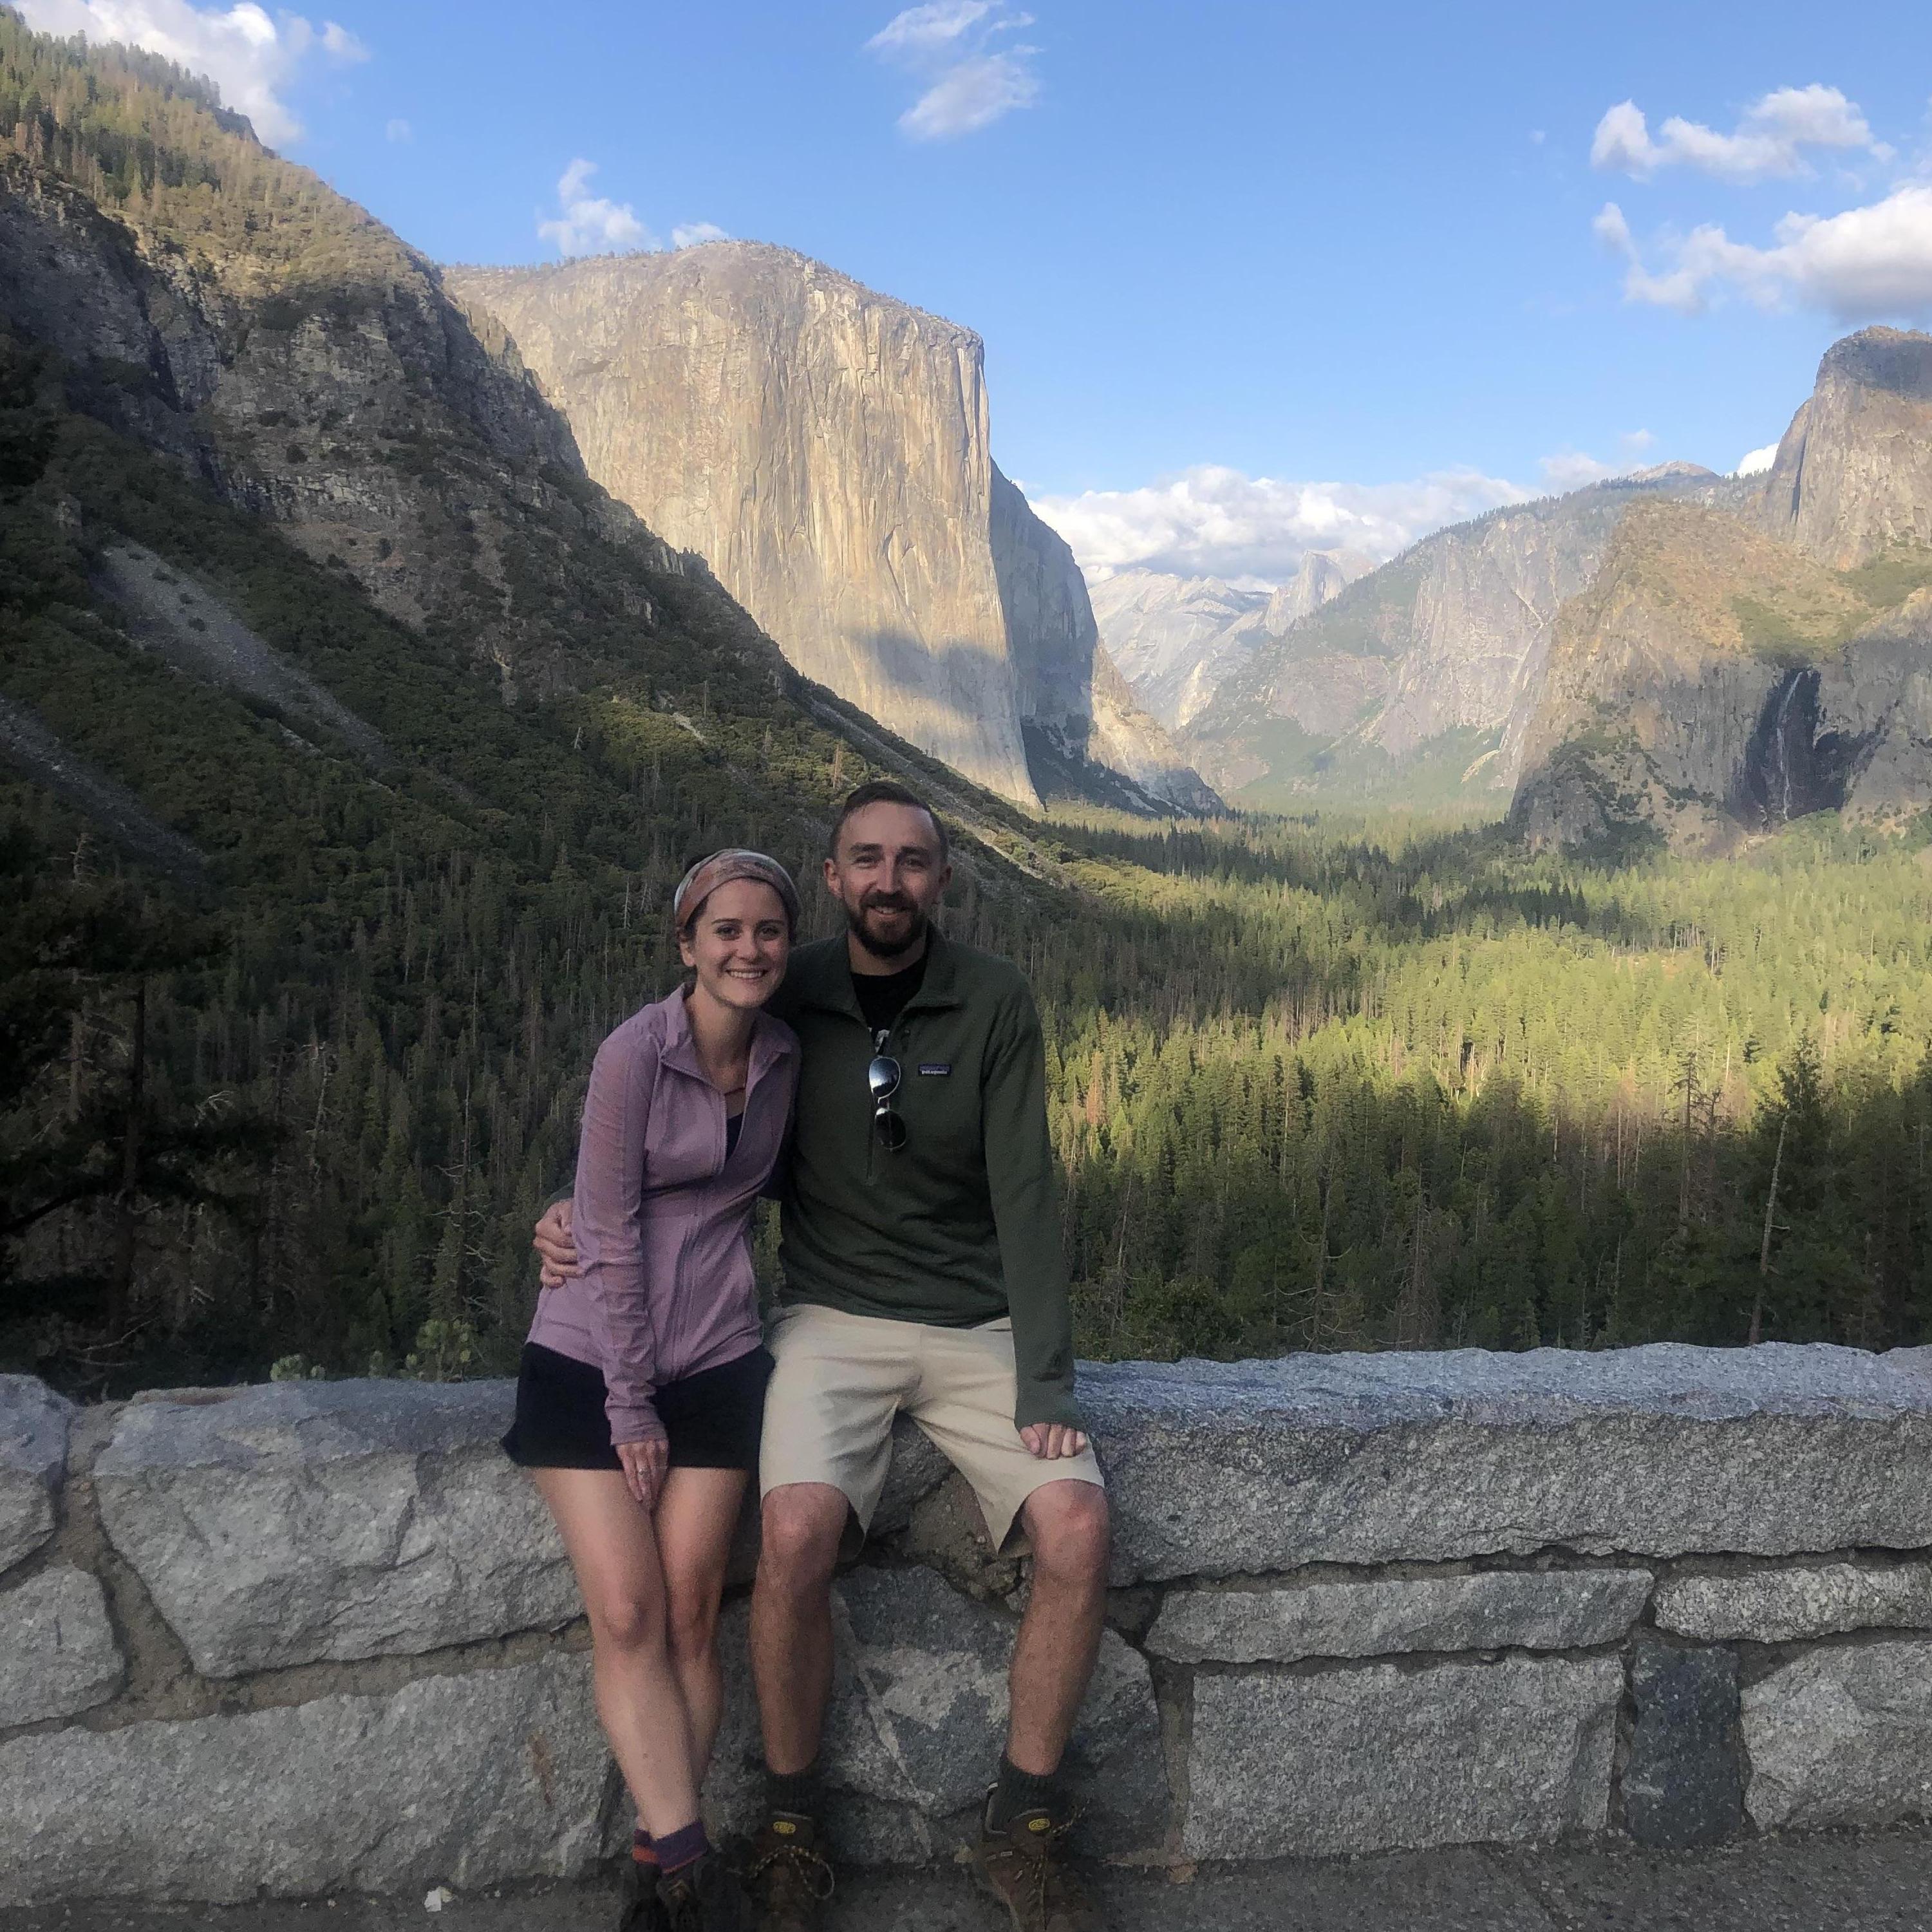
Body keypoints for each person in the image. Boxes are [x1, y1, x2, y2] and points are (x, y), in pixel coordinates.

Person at [536, 783, 1111, 1932]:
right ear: (836, 877)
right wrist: (570, 1212)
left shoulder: (994, 997)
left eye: (912, 860)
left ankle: (1025, 1821)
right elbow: (670, 1114)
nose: (889, 880)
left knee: (1080, 1525)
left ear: (940, 878)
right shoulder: (783, 982)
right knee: (793, 1531)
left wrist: (1046, 1376)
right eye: (866, 858)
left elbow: (1027, 1191)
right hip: (831, 1317)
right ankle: (791, 1827)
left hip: (980, 1323)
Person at [505, 851, 802, 1932]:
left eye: (767, 930)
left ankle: (654, 1866)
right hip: (589, 1360)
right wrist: (629, 1401)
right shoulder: (635, 1051)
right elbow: (609, 1226)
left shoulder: (784, 1057)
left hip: (719, 1354)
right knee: (628, 1610)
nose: (747, 949)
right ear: (687, 943)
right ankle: (696, 1878)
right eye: (725, 929)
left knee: (687, 1612)